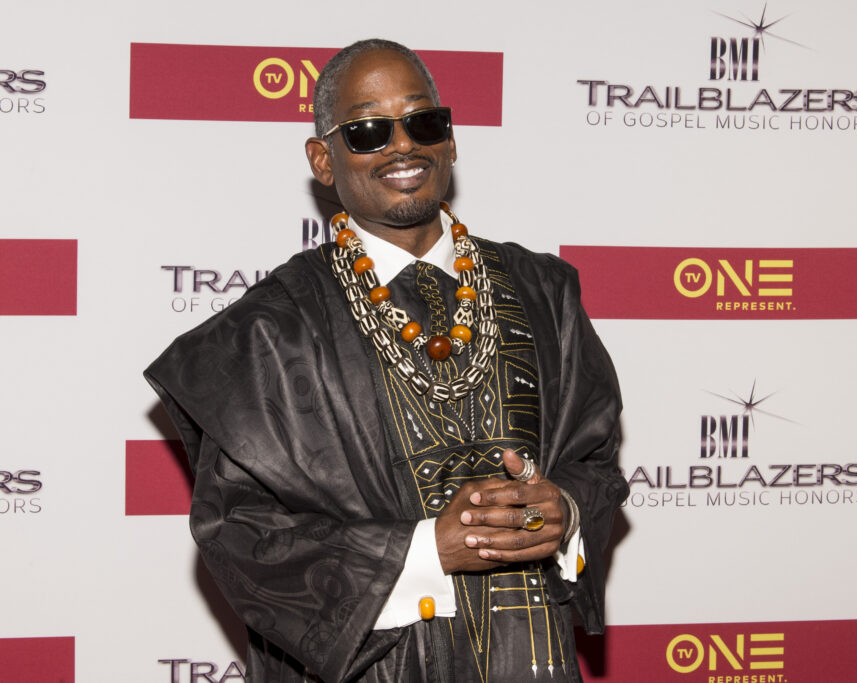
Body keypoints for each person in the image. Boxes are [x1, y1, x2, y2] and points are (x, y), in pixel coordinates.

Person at [145, 38, 627, 683]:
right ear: (323, 158)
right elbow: (242, 535)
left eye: (423, 121)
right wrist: (428, 551)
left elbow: (594, 464)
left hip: (528, 654)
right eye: (369, 130)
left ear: (450, 140)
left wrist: (563, 510)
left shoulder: (545, 292)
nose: (403, 145)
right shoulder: (265, 334)